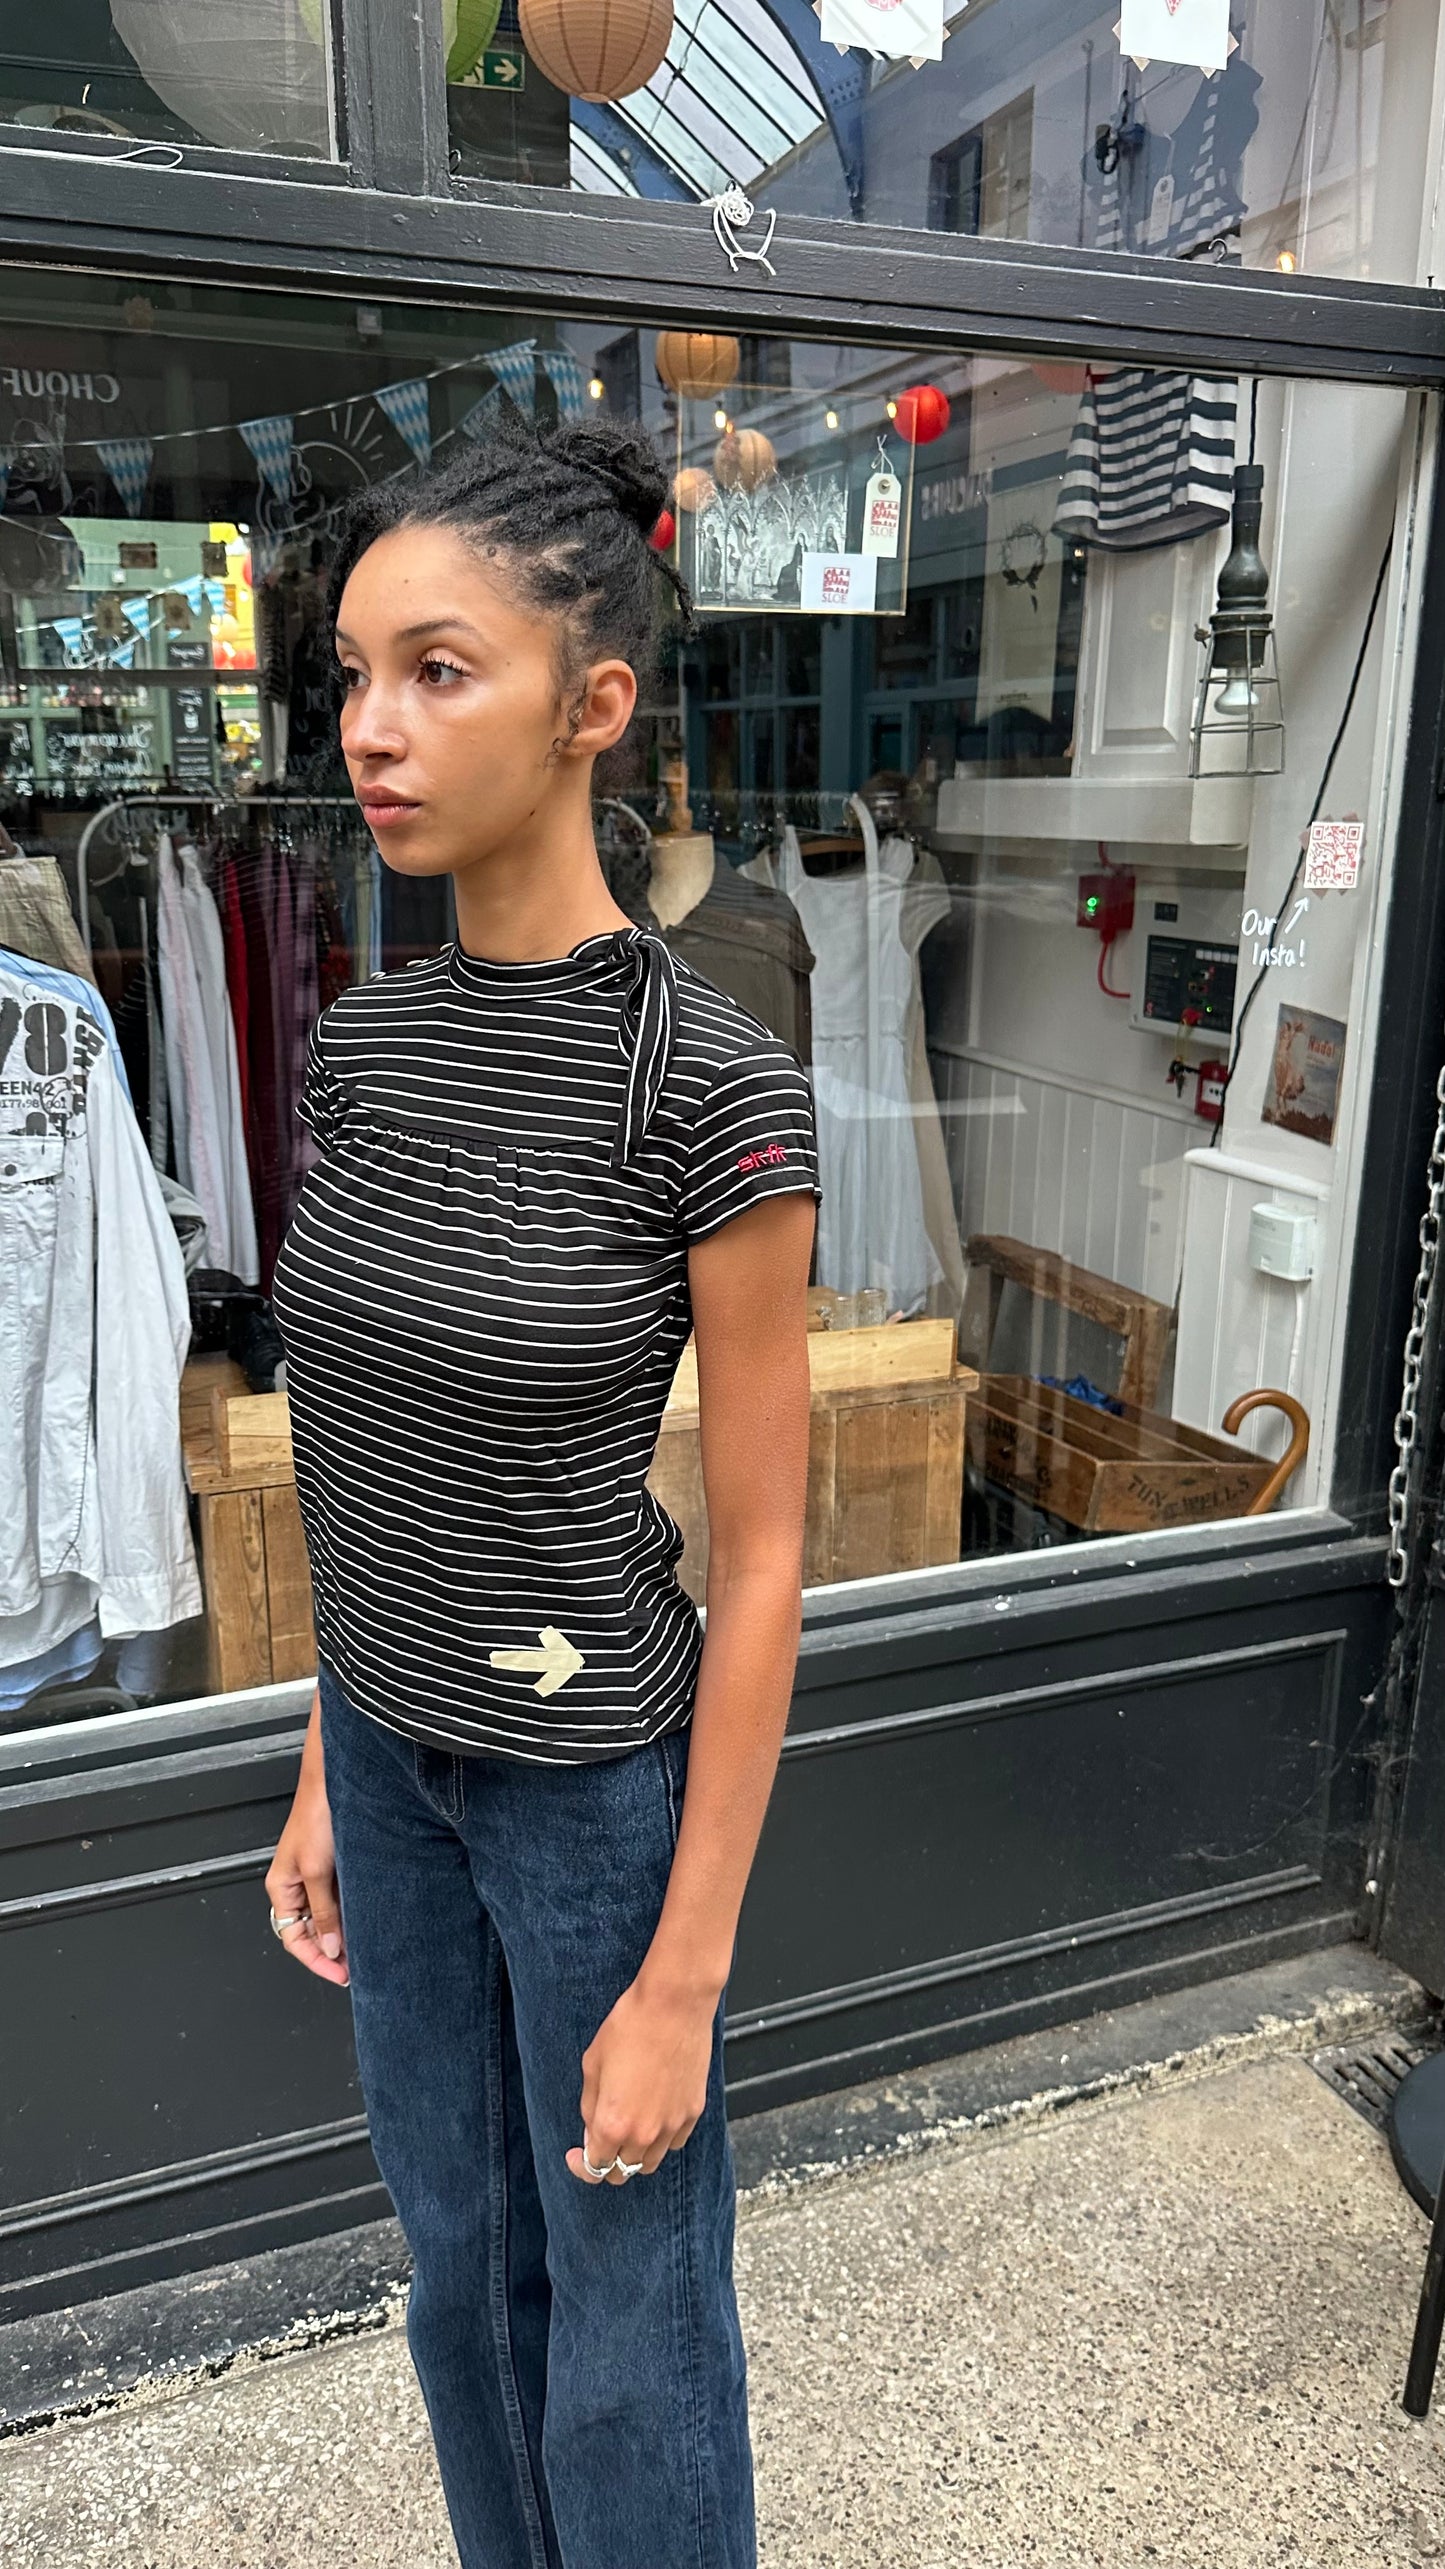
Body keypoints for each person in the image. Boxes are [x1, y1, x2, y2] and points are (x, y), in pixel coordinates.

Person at [264, 412, 820, 2569]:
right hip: (396, 1773)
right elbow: (364, 1445)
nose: (371, 732)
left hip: (596, 1786)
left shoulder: (708, 1079)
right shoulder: (362, 1042)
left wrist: (685, 1971)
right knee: (453, 2279)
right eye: (351, 676)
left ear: (592, 708)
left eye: (435, 669)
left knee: (632, 2314)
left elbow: (771, 1562)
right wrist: (330, 1747)